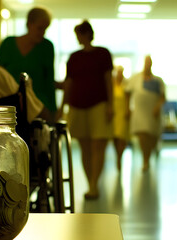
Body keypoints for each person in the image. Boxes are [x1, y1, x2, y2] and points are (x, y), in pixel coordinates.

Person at [59, 20, 114, 199]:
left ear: (88, 34)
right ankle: (90, 182)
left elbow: (108, 80)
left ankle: (94, 185)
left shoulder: (103, 54)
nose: (78, 38)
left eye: (80, 34)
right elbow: (69, 83)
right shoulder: (74, 57)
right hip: (77, 105)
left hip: (98, 104)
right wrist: (63, 106)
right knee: (84, 146)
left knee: (98, 144)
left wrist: (111, 104)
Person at [0, 6, 57, 124]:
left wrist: (53, 112)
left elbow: (49, 83)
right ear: (29, 24)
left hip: (38, 106)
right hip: (9, 105)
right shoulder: (8, 44)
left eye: (45, 29)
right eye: (39, 28)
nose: (42, 33)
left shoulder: (47, 47)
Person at [125, 55, 166, 172]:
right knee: (143, 135)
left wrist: (157, 107)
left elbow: (163, 97)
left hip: (153, 113)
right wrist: (128, 108)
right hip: (140, 112)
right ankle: (145, 160)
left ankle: (148, 156)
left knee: (152, 137)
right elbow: (127, 93)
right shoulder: (135, 78)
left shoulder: (158, 81)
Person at [112, 66, 130, 171]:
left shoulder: (126, 85)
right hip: (115, 115)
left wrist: (127, 110)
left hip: (122, 114)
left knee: (122, 139)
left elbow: (128, 99)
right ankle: (117, 156)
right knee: (115, 138)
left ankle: (120, 157)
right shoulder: (112, 85)